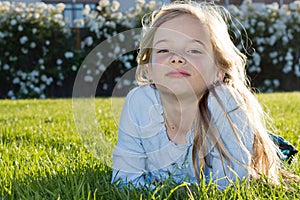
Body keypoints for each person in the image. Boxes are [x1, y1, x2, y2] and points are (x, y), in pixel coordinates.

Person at [111, 1, 297, 189]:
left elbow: (229, 183)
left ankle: (275, 145)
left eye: (193, 50)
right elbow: (125, 178)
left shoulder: (225, 102)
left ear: (218, 70)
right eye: (163, 50)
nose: (176, 58)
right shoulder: (138, 102)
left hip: (235, 131)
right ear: (148, 68)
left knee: (272, 152)